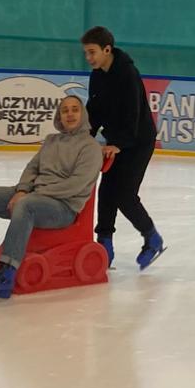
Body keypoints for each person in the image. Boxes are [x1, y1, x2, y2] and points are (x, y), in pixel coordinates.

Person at [0, 95, 103, 299]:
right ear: (59, 116)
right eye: (65, 110)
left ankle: (6, 275)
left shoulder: (90, 148)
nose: (70, 114)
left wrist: (33, 195)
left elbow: (75, 185)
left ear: (83, 115)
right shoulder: (51, 141)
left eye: (75, 109)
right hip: (33, 196)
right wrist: (21, 190)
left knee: (26, 205)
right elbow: (32, 168)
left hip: (62, 207)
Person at [81, 26, 165, 269]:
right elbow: (94, 110)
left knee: (125, 195)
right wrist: (83, 135)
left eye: (92, 52)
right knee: (107, 192)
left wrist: (118, 143)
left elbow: (132, 114)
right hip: (116, 142)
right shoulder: (98, 75)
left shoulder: (127, 73)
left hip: (138, 141)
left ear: (107, 50)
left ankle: (152, 238)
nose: (88, 58)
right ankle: (104, 245)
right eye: (86, 53)